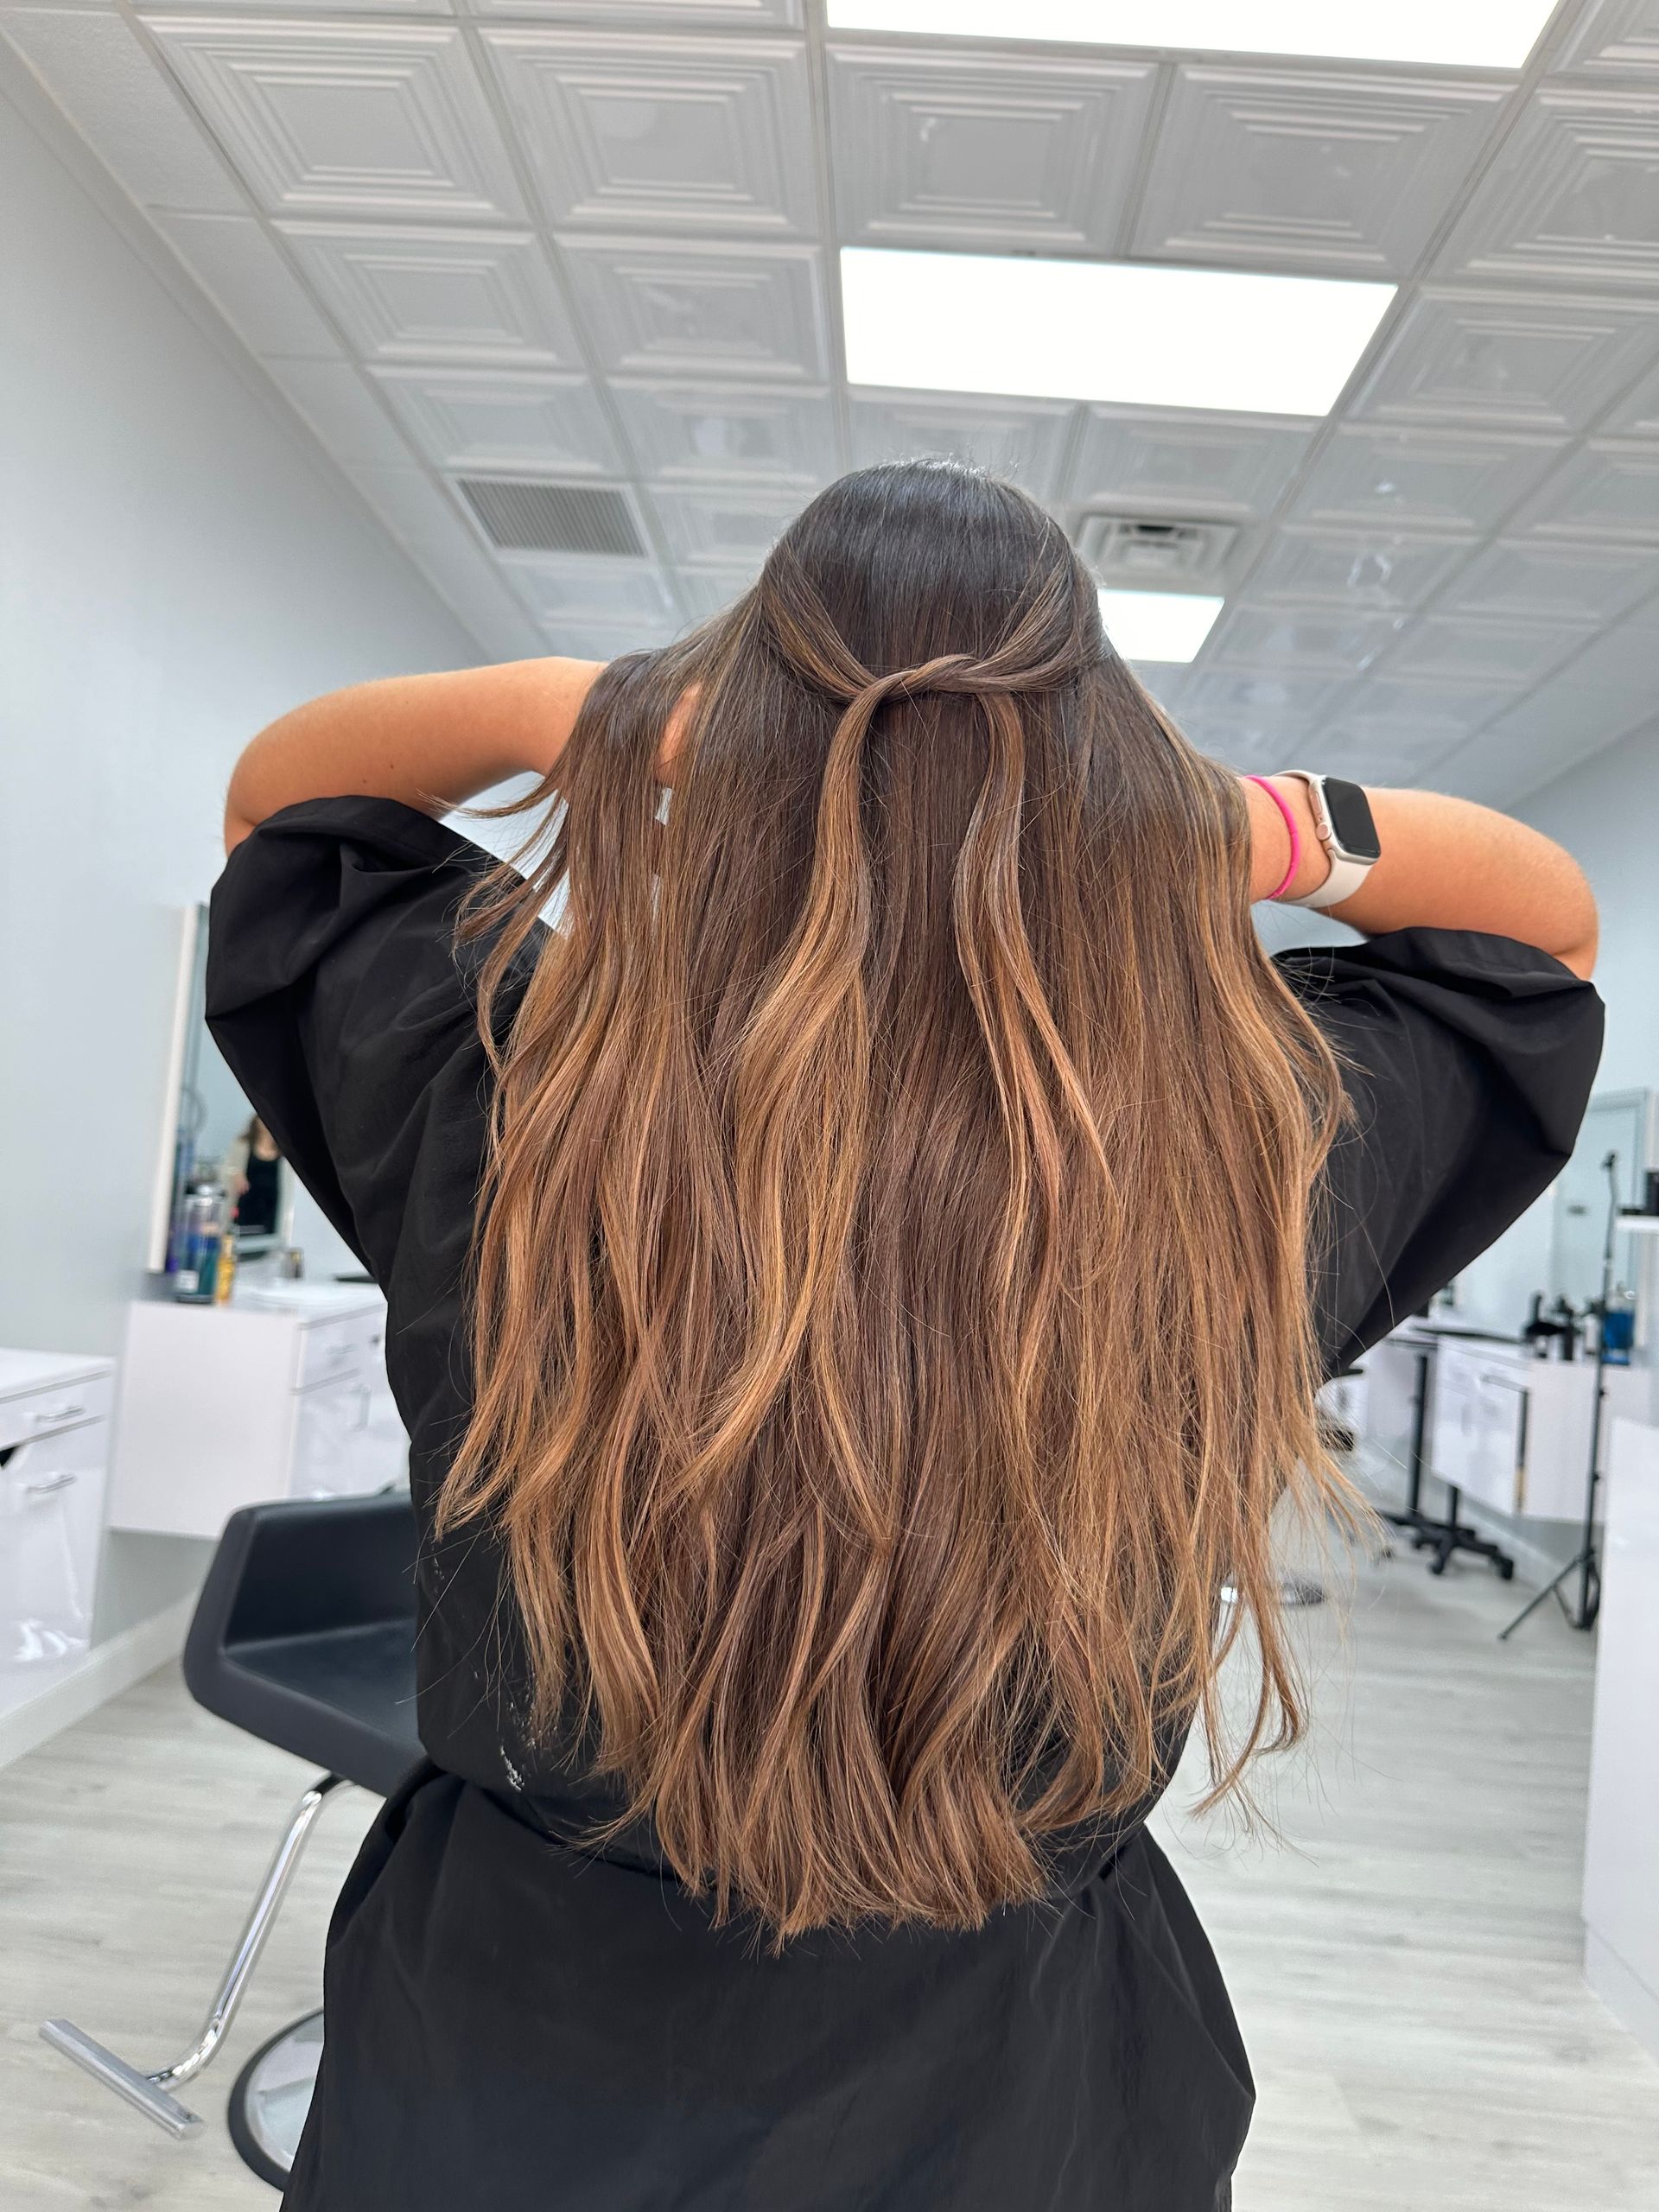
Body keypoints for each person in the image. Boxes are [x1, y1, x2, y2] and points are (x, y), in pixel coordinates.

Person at [205, 463, 1601, 2212]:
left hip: (508, 2053)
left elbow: (289, 806)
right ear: (1103, 782)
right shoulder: (1237, 1153)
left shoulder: (520, 1083)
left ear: (722, 750)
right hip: (1024, 2100)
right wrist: (1222, 821)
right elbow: (1538, 921)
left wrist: (602, 713)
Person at [219, 1112, 282, 1236]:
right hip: (245, 1207)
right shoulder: (242, 1145)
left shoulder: (284, 1151)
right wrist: (235, 1174)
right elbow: (225, 1168)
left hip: (272, 1209)